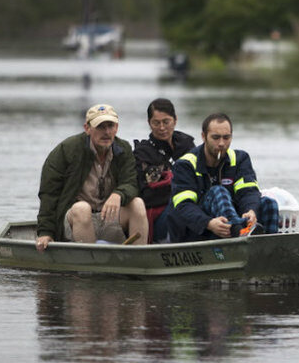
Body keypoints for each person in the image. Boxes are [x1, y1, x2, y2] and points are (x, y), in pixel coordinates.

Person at [35, 103, 148, 251]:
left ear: (117, 128)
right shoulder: (67, 150)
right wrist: (45, 232)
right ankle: (89, 266)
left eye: (110, 126)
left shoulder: (123, 149)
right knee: (82, 208)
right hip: (75, 222)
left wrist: (118, 194)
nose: (106, 132)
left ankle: (139, 260)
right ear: (87, 128)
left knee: (137, 203)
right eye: (100, 126)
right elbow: (49, 194)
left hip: (109, 219)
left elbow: (131, 183)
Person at [167, 113, 280, 242]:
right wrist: (208, 223)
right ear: (204, 137)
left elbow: (248, 192)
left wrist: (251, 210)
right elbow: (184, 206)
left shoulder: (240, 159)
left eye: (226, 138)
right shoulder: (185, 165)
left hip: (227, 227)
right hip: (195, 231)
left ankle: (270, 247)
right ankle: (239, 232)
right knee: (218, 191)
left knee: (269, 203)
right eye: (216, 138)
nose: (221, 143)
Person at [133, 98, 195, 242]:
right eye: (156, 123)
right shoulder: (142, 153)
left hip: (192, 208)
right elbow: (146, 194)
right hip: (162, 216)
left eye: (166, 122)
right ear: (149, 123)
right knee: (180, 202)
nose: (162, 128)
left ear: (175, 120)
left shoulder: (187, 145)